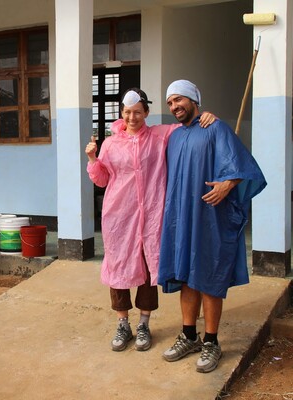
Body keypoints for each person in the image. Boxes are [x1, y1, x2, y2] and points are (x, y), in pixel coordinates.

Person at [85, 88, 215, 352]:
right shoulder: (110, 144)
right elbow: (101, 179)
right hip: (119, 215)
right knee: (118, 267)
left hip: (153, 215)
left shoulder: (160, 135)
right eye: (127, 112)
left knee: (146, 267)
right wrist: (92, 159)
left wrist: (206, 116)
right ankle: (123, 323)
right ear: (122, 113)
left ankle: (144, 323)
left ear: (146, 112)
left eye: (137, 112)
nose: (132, 117)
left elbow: (187, 125)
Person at [158, 80, 266, 373]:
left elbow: (245, 168)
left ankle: (211, 342)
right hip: (181, 217)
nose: (174, 107)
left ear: (194, 99)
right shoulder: (175, 137)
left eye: (179, 100)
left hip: (210, 216)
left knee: (209, 275)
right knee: (185, 275)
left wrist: (228, 185)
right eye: (169, 103)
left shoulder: (215, 129)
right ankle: (189, 335)